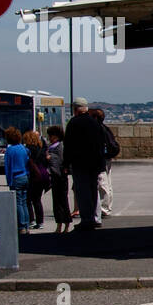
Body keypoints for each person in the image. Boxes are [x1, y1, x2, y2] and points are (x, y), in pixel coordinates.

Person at [63, 97, 107, 230]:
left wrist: (66, 164)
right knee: (93, 191)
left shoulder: (74, 123)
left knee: (82, 192)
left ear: (75, 109)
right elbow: (100, 143)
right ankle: (95, 217)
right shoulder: (94, 123)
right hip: (94, 163)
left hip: (80, 163)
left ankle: (86, 219)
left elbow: (68, 145)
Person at [1, 126, 31, 236]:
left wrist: (9, 181)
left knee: (18, 203)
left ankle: (21, 226)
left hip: (16, 177)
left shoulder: (10, 150)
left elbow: (7, 167)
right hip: (25, 177)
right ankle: (27, 225)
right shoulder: (23, 148)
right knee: (24, 202)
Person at [92, 106, 119, 219]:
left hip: (102, 158)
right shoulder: (105, 128)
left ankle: (104, 209)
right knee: (108, 183)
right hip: (107, 158)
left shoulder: (98, 129)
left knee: (103, 184)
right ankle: (107, 207)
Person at [45, 124, 70, 233]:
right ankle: (59, 224)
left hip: (60, 177)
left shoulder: (60, 146)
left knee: (63, 201)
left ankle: (66, 224)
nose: (49, 138)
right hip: (55, 177)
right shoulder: (52, 146)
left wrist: (50, 158)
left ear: (56, 136)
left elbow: (61, 161)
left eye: (50, 135)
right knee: (56, 202)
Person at [23, 129, 50, 229]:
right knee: (37, 200)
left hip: (33, 176)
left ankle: (31, 220)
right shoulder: (42, 149)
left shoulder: (28, 150)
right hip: (42, 175)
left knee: (28, 199)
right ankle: (40, 222)